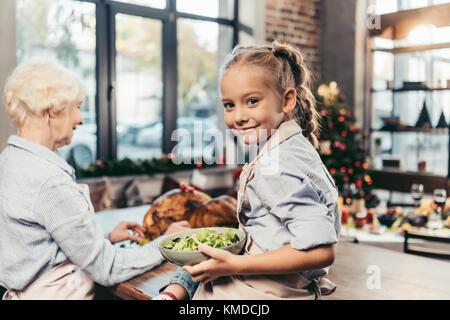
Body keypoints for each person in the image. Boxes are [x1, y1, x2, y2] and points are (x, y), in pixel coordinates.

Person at [155, 40, 341, 300]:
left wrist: (235, 265)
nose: (238, 116)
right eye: (229, 105)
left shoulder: (277, 166)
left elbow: (321, 251)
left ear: (287, 100)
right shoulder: (294, 148)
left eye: (252, 101)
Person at [0, 59, 189, 300]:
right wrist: (166, 243)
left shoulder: (9, 159)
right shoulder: (49, 180)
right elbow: (107, 269)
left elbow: (35, 246)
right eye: (76, 107)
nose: (80, 118)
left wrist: (103, 237)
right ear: (52, 109)